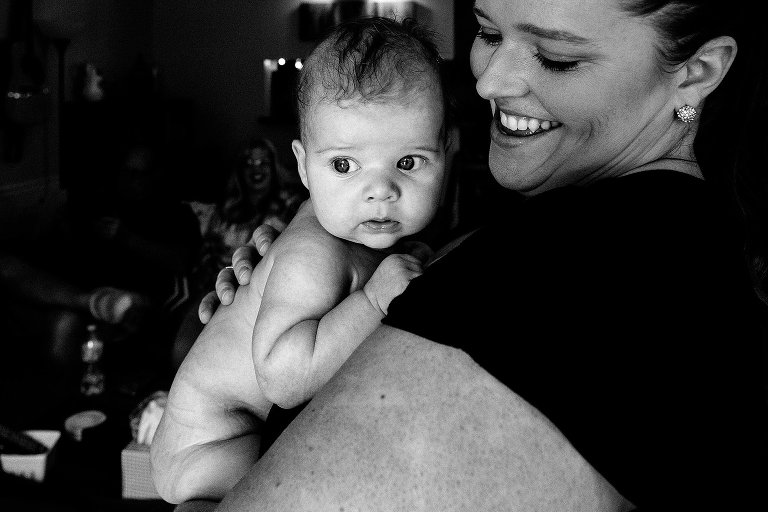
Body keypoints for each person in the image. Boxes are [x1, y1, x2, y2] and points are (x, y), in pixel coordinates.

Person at [169, 1, 768, 510]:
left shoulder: (597, 265)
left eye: (557, 57)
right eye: (487, 31)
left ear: (696, 72)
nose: (488, 82)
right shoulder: (608, 228)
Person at [151, 17, 449, 503]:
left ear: (446, 152)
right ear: (302, 165)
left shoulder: (360, 232)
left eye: (408, 162)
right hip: (213, 441)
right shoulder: (312, 254)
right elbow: (285, 377)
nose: (379, 192)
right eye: (343, 165)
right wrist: (374, 299)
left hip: (238, 432)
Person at [171, 138, 306, 369]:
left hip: (259, 294)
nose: (257, 169)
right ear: (240, 170)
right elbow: (206, 256)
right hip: (214, 288)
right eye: (249, 163)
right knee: (182, 353)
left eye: (263, 162)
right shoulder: (228, 207)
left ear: (273, 167)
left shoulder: (291, 204)